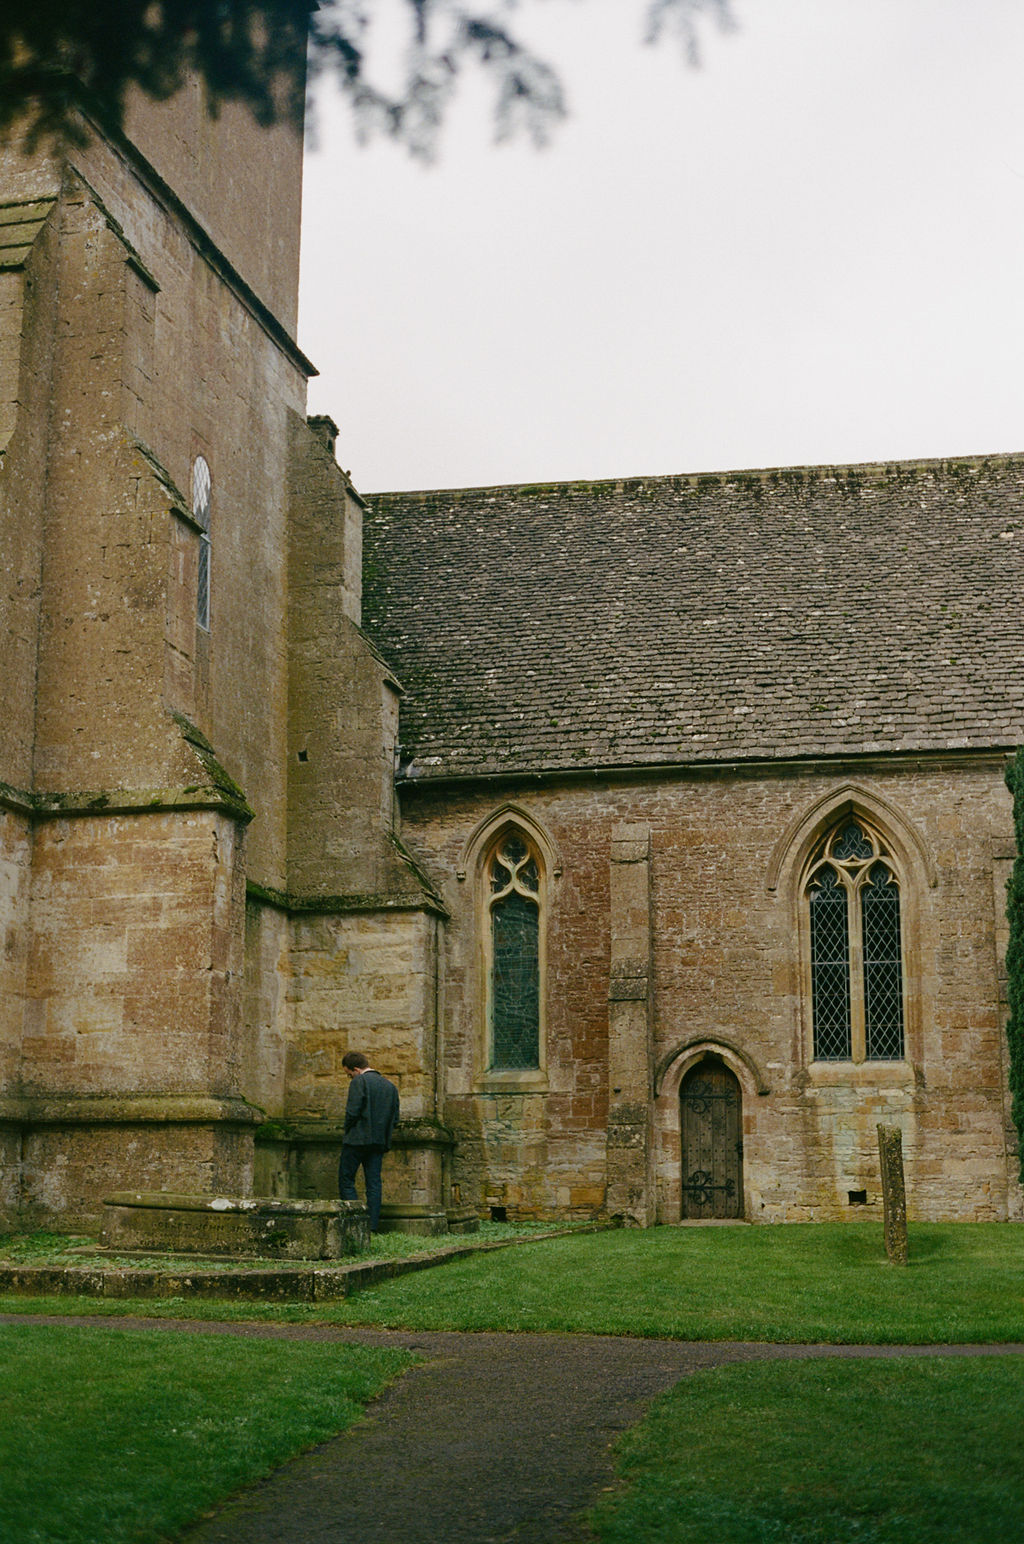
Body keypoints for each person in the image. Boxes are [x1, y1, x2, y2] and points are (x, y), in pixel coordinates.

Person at [338, 1051, 400, 1233]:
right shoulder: (390, 1087)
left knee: (346, 1180)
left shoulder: (359, 1082)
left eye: (349, 1074)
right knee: (373, 1184)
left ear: (356, 1069)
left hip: (356, 1140)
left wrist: (347, 1129)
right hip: (378, 1142)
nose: (350, 1078)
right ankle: (371, 1226)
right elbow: (395, 1118)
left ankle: (355, 1223)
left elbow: (352, 1111)